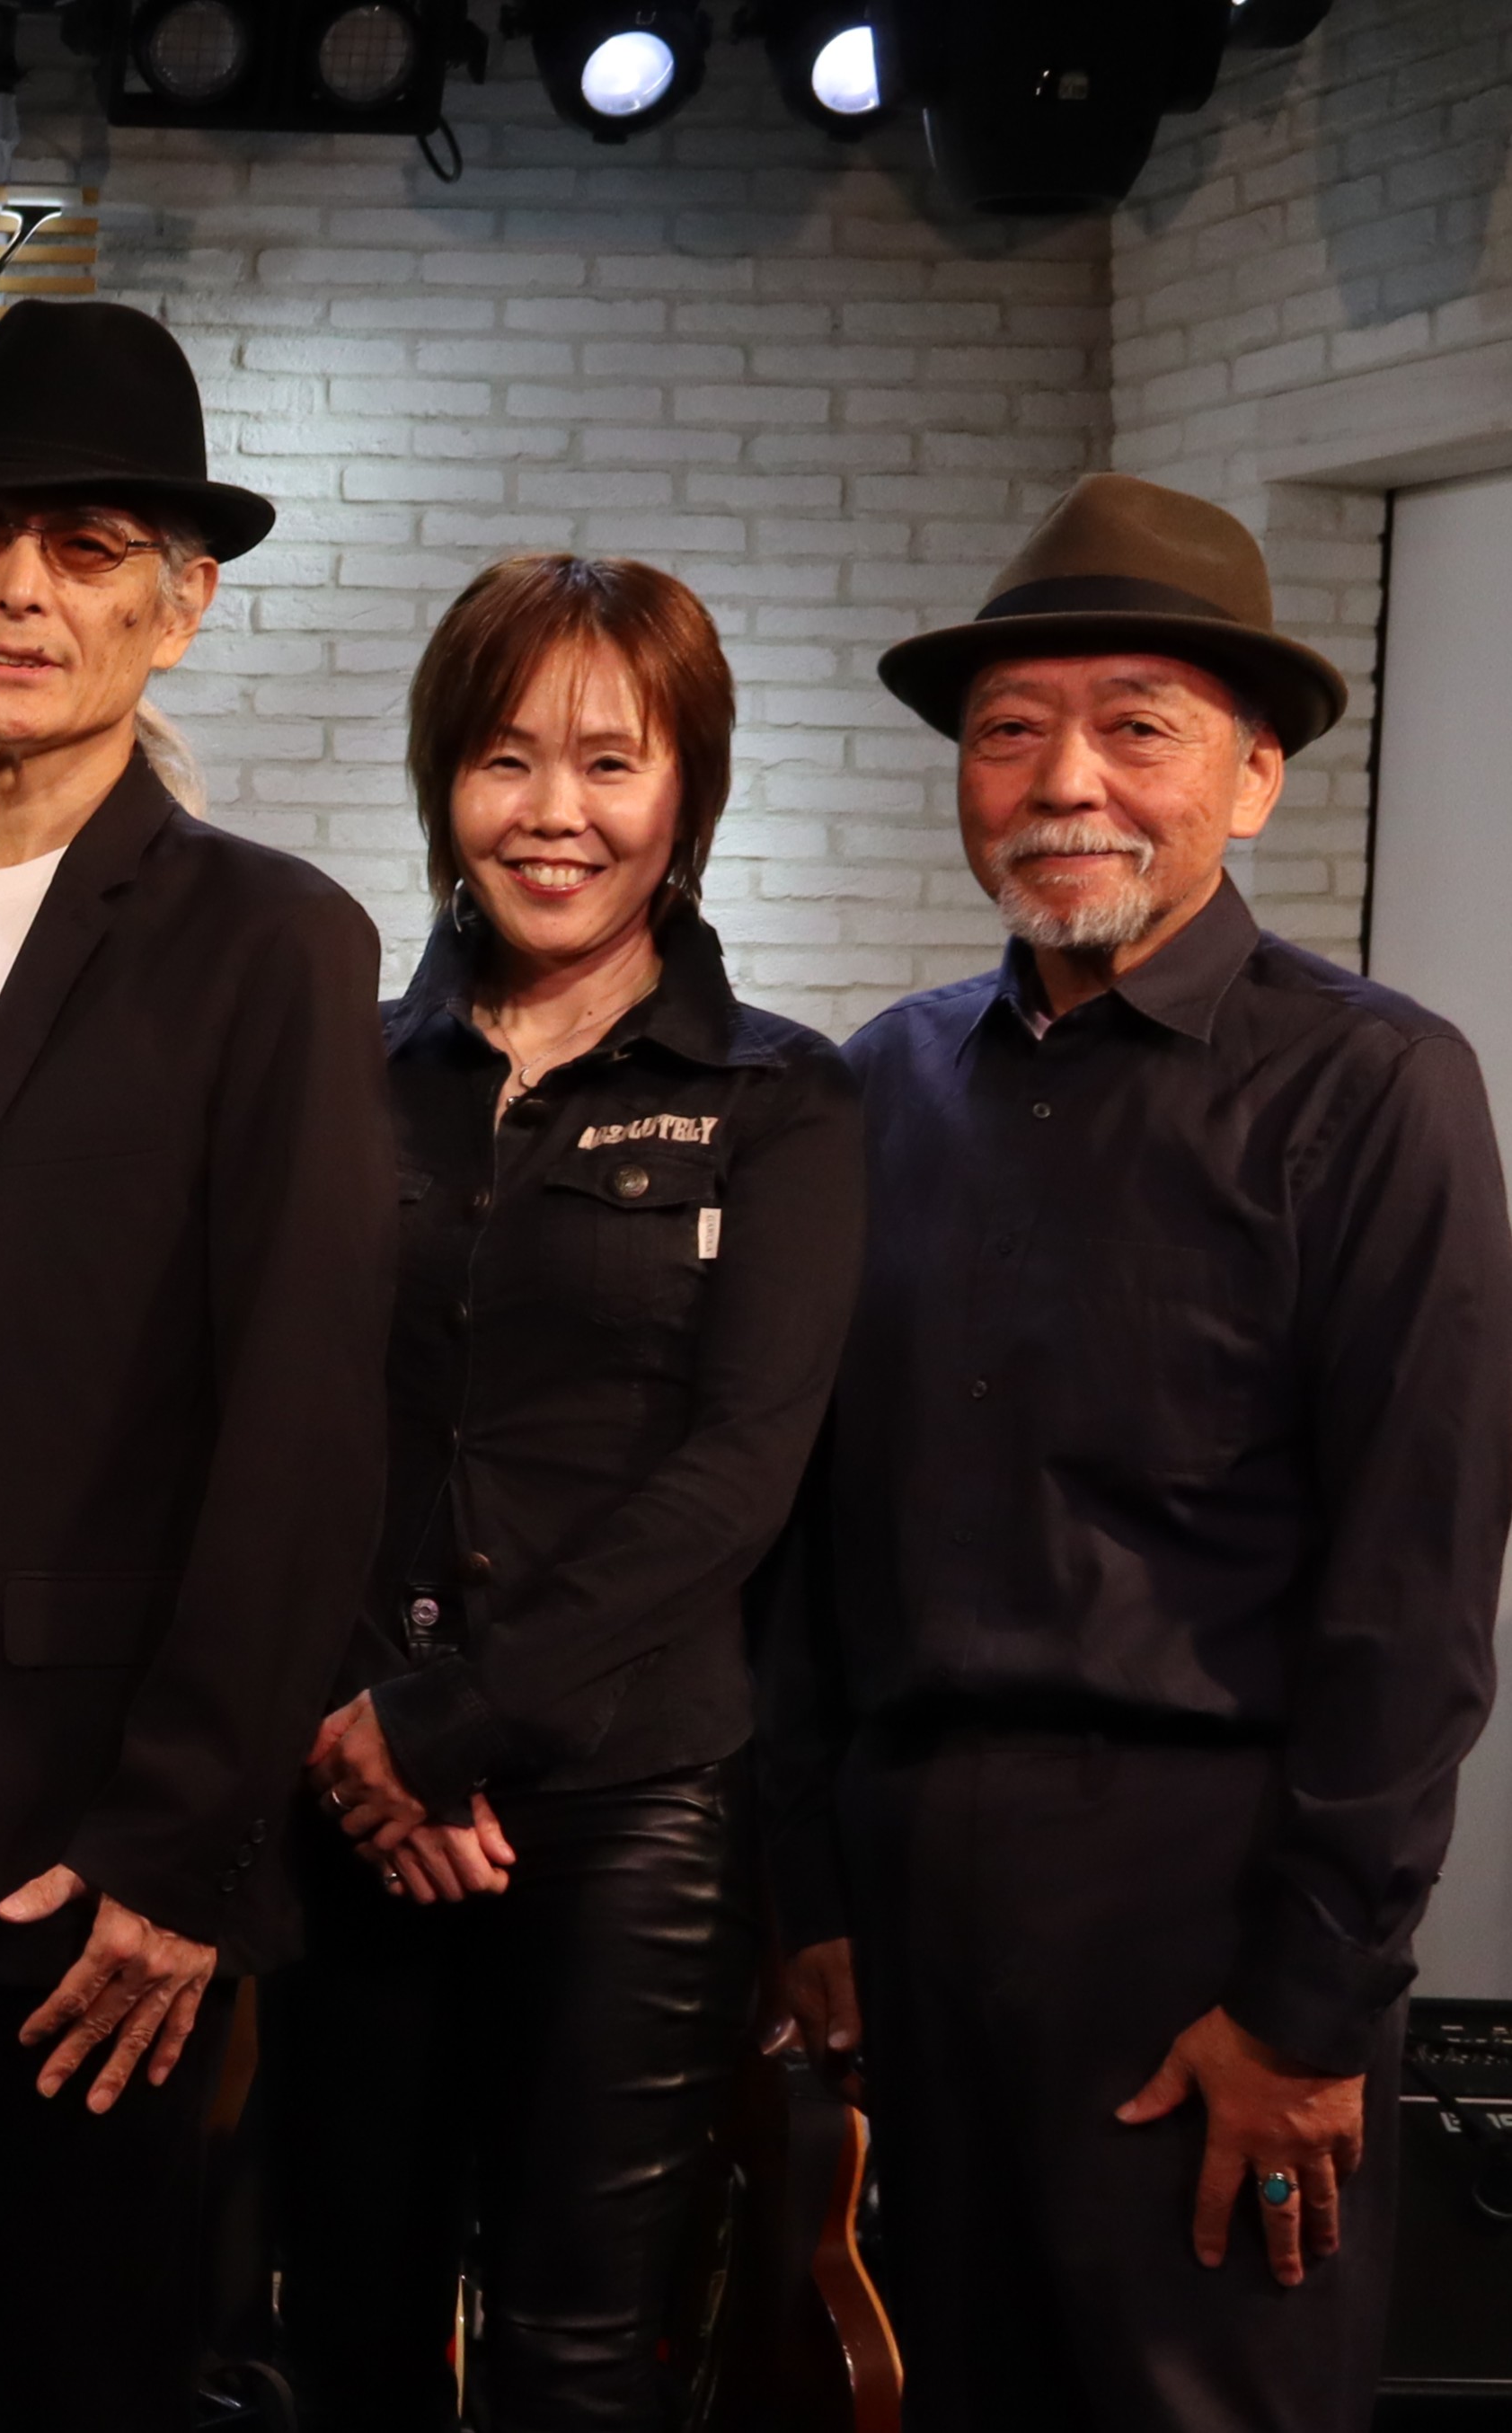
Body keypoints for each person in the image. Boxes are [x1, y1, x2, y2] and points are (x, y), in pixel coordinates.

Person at [761, 471, 1512, 2431]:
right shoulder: (880, 1084)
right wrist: (809, 1894)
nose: (1062, 781)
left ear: (1252, 779)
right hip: (912, 1900)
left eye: (1136, 727)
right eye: (1008, 731)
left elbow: (1414, 1592)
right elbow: (813, 1535)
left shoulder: (1373, 1088)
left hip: (1208, 1908)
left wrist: (1307, 2007)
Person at [0, 296, 396, 2431]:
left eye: (90, 546)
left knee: (88, 2378)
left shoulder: (267, 941)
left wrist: (182, 1843)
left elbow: (300, 1423)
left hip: (90, 1834)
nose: (22, 588)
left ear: (177, 607)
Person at [264, 556, 865, 2428]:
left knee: (579, 2348)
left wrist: (449, 1725)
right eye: (505, 758)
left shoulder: (781, 1102)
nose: (553, 813)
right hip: (341, 1785)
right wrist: (360, 1728)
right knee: (341, 2324)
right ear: (443, 778)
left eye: (610, 762)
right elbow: (273, 1423)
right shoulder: (336, 1070)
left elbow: (736, 1474)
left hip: (628, 1807)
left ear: (688, 791)